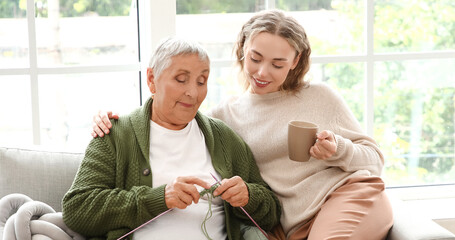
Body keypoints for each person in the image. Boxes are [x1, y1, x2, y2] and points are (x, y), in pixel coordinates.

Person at [91, 9, 393, 240]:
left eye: (278, 64)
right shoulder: (224, 118)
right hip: (285, 226)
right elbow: (174, 112)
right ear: (242, 49)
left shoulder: (319, 97)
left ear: (296, 61)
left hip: (342, 198)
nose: (263, 72)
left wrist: (338, 149)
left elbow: (375, 161)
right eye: (255, 58)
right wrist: (111, 120)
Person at [62, 36, 281, 240]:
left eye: (201, 81)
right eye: (181, 79)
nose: (193, 93)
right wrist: (159, 198)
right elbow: (77, 209)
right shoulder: (115, 135)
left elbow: (271, 213)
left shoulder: (223, 138)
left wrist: (248, 197)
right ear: (151, 79)